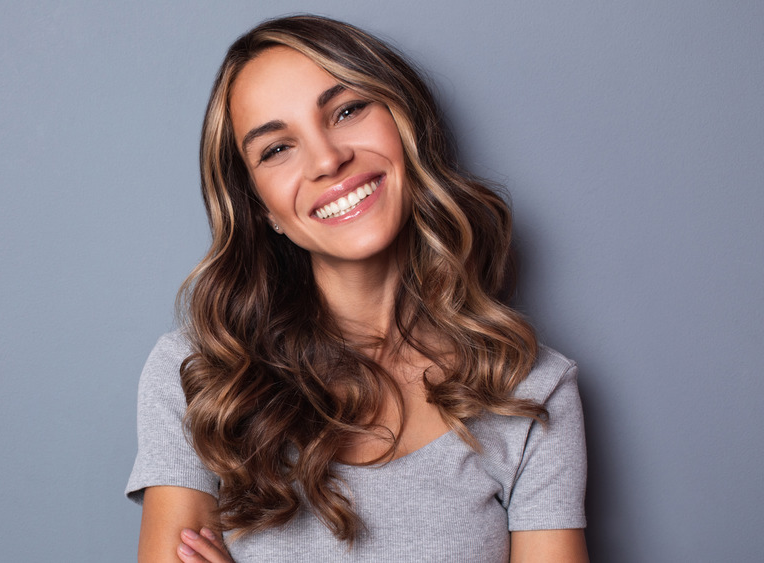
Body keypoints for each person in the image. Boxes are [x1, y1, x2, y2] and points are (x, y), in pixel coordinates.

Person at [126, 15, 587, 562]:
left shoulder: (530, 392)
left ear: (403, 121)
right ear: (260, 207)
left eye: (346, 111)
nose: (327, 160)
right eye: (276, 148)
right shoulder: (200, 379)